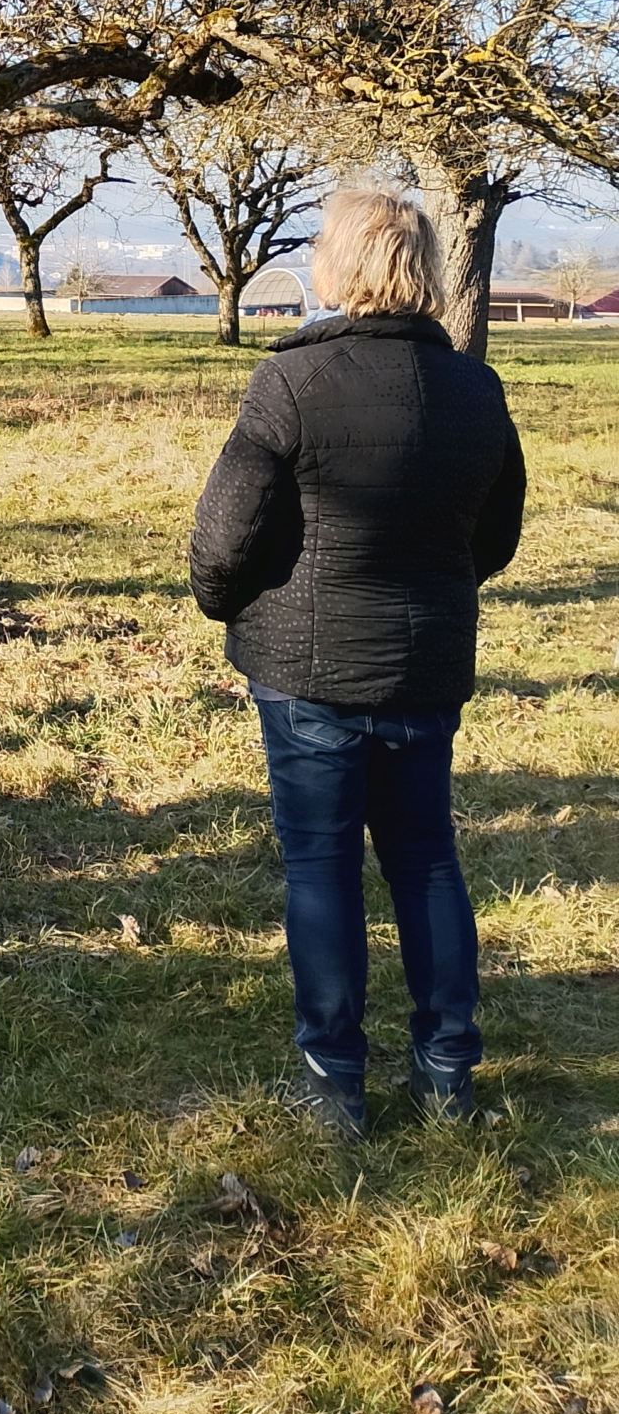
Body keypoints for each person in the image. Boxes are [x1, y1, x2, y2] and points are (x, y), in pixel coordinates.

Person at [189, 187, 526, 1136]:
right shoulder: (475, 388)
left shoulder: (290, 383)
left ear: (340, 268)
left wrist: (231, 605)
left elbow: (223, 539)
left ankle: (335, 1081)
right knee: (426, 860)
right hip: (424, 663)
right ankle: (447, 1071)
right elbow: (493, 539)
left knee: (323, 866)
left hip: (308, 673)